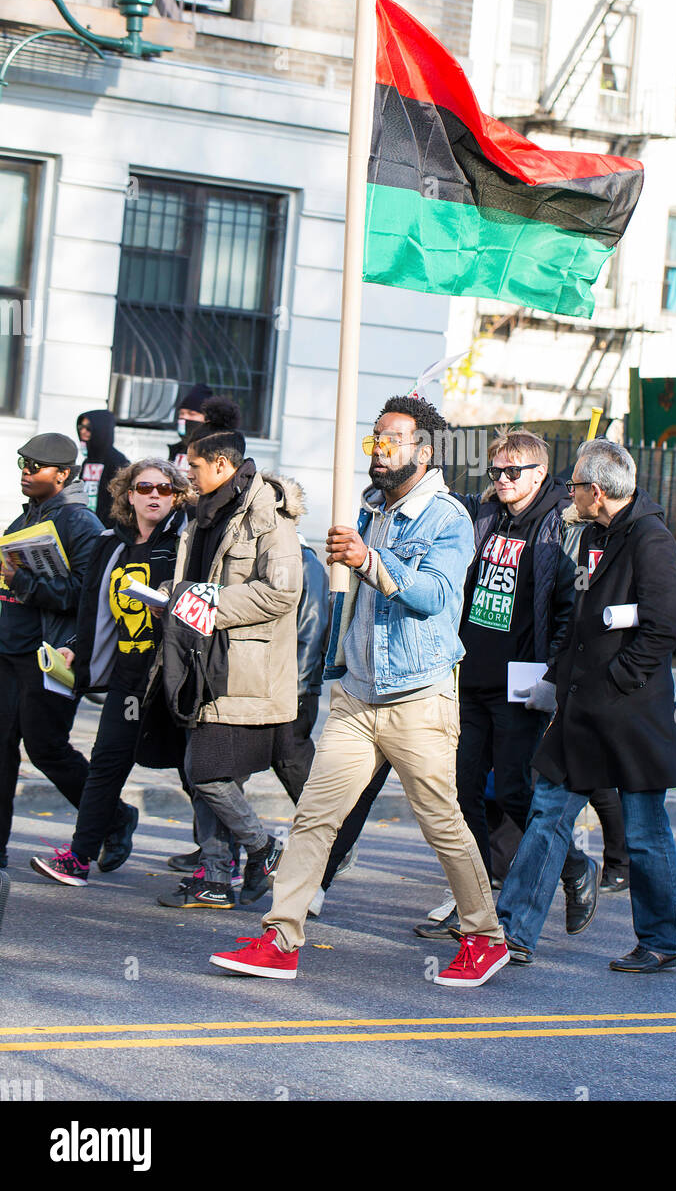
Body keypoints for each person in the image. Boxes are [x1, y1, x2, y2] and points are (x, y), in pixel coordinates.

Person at [209, 396, 509, 986]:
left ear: (424, 451)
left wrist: (371, 559)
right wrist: (335, 663)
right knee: (315, 819)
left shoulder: (448, 518)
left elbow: (436, 598)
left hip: (418, 697)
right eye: (375, 438)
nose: (380, 448)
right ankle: (281, 936)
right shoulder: (373, 506)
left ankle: (484, 934)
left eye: (393, 439)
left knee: (442, 822)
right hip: (358, 695)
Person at [416, 428, 621, 938]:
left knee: (512, 791)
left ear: (539, 473)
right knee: (462, 794)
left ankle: (575, 868)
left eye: (513, 473)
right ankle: (475, 907)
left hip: (523, 682)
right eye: (496, 472)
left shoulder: (561, 524)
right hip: (470, 675)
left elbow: (571, 610)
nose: (503, 481)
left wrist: (552, 676)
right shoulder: (485, 515)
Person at [496, 439, 676, 972]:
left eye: (575, 484)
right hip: (581, 714)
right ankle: (513, 930)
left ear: (597, 492)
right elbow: (581, 625)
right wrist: (555, 681)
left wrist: (616, 682)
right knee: (547, 814)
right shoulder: (596, 535)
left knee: (644, 832)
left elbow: (664, 626)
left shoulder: (651, 539)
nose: (569, 490)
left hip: (632, 716)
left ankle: (664, 939)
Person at [155, 398, 303, 909]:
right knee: (208, 777)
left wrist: (201, 602)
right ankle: (217, 879)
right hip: (199, 656)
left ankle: (265, 850)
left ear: (221, 465)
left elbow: (281, 593)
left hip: (242, 668)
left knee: (208, 773)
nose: (186, 474)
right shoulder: (204, 512)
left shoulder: (269, 517)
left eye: (193, 466)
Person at [29, 460, 191, 886]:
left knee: (198, 772)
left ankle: (229, 855)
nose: (155, 495)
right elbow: (97, 614)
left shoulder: (186, 543)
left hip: (174, 678)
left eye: (166, 489)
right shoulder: (110, 545)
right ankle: (79, 858)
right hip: (127, 677)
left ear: (178, 496)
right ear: (129, 495)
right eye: (145, 487)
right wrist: (76, 648)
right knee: (105, 764)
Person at [0, 433, 104, 869]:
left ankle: (113, 820)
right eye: (23, 462)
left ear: (62, 475)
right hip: (8, 652)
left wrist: (20, 581)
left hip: (46, 657)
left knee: (47, 749)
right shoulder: (26, 518)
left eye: (35, 466)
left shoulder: (82, 523)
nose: (25, 471)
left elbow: (86, 595)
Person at [77, 410, 128, 526]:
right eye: (81, 427)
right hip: (84, 525)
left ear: (101, 429)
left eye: (88, 428)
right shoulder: (87, 461)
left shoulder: (118, 461)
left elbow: (120, 502)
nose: (83, 431)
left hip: (105, 529)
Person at [167, 383, 214, 474]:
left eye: (191, 414)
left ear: (206, 419)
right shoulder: (176, 450)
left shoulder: (214, 452)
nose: (184, 418)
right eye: (181, 413)